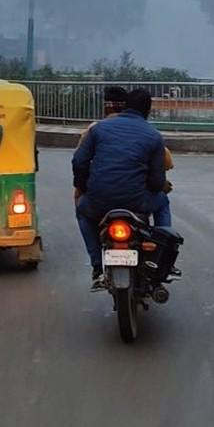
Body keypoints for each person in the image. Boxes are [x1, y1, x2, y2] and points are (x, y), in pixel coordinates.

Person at [72, 88, 173, 290]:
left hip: (99, 201)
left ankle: (97, 265)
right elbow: (155, 181)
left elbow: (79, 162)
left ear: (125, 106)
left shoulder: (98, 129)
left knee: (82, 211)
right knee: (162, 202)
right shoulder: (153, 136)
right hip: (137, 202)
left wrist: (84, 187)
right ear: (148, 110)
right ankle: (162, 258)